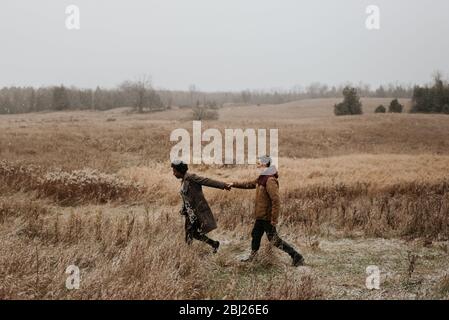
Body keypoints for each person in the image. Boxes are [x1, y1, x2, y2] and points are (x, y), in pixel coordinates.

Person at [230, 155, 304, 266]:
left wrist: (273, 219)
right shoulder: (262, 178)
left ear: (265, 164)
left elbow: (276, 200)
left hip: (267, 217)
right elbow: (249, 184)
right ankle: (253, 257)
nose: (257, 163)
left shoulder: (270, 179)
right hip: (260, 216)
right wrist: (233, 184)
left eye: (258, 162)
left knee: (275, 240)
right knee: (255, 235)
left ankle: (296, 256)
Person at [171, 160, 231, 253]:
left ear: (180, 171)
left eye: (175, 171)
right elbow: (186, 197)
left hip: (196, 211)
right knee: (190, 233)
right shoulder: (183, 180)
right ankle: (212, 244)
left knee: (191, 233)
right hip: (189, 213)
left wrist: (223, 185)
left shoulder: (191, 177)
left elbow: (206, 181)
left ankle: (208, 245)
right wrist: (183, 209)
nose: (173, 173)